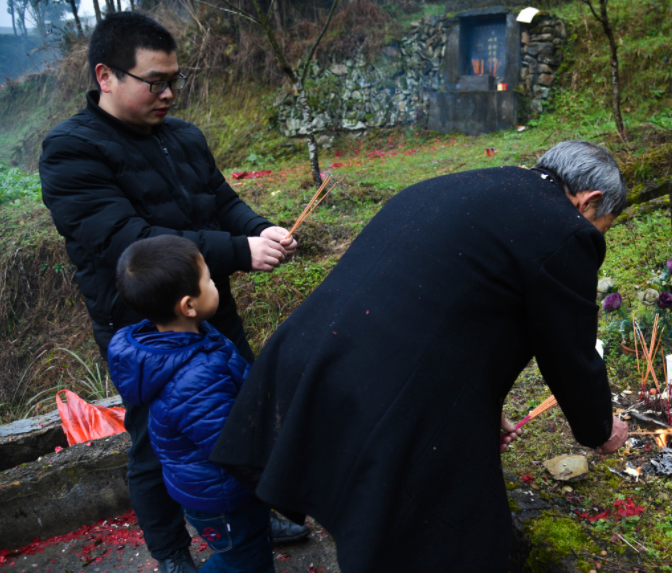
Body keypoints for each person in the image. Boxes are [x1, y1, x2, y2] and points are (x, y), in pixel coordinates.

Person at [210, 140, 631, 572]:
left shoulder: (470, 183)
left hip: (314, 359)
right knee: (453, 537)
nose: (596, 235)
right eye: (604, 225)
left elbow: (456, 306)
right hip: (386, 392)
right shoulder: (564, 227)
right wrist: (599, 428)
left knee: (364, 510)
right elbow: (570, 353)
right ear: (589, 201)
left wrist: (483, 406)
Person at [38, 11, 307, 573]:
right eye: (154, 81)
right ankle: (172, 554)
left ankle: (251, 518)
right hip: (144, 329)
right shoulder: (70, 151)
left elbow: (221, 200)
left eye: (174, 80)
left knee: (242, 412)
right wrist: (236, 253)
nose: (168, 93)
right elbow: (127, 242)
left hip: (210, 310)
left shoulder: (183, 136)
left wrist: (259, 229)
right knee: (150, 445)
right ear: (106, 75)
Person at [109, 236, 275, 573]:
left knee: (247, 550)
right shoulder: (195, 376)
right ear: (188, 305)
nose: (215, 284)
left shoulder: (182, 341)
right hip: (224, 495)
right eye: (209, 280)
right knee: (244, 560)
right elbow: (231, 443)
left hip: (208, 486)